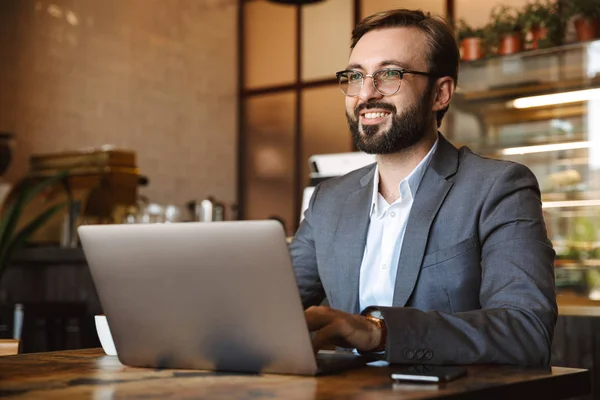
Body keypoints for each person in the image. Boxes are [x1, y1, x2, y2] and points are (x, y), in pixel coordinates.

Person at [289, 9, 557, 366]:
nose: (365, 94)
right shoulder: (329, 201)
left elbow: (526, 331)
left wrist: (379, 332)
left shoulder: (497, 188)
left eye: (389, 74)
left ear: (440, 94)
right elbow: (274, 307)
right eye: (356, 76)